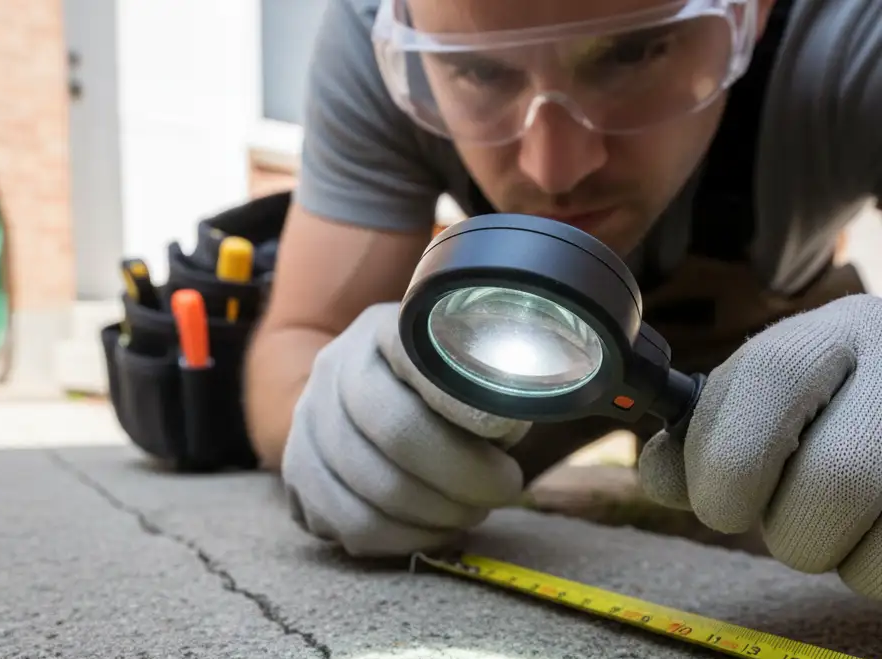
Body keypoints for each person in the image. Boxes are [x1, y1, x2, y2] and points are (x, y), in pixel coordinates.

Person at [241, 0, 882, 600]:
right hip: (513, 331)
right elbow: (301, 332)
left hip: (779, 341)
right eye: (477, 71)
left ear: (753, 11)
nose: (555, 168)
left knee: (827, 512)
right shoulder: (378, 23)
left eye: (633, 54)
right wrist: (344, 425)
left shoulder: (857, 33)